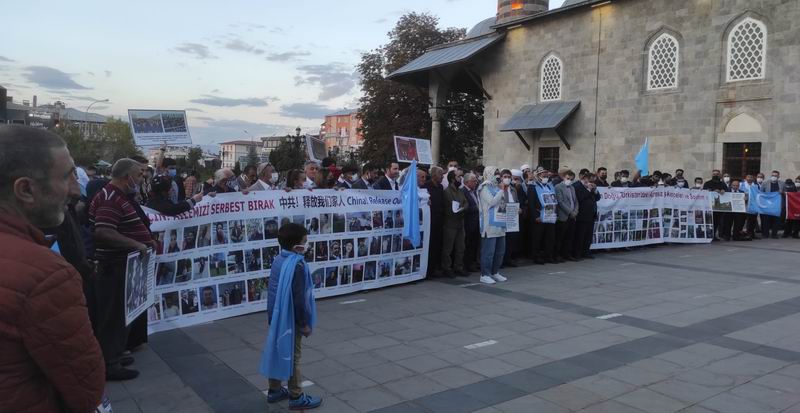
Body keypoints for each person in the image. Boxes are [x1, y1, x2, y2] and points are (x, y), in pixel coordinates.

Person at [0, 126, 105, 412]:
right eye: (67, 176)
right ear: (25, 189)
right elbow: (85, 386)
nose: (75, 189)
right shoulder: (46, 274)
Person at [89, 158, 155, 380]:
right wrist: (137, 244)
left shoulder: (119, 196)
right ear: (127, 177)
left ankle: (114, 353)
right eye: (138, 175)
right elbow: (103, 232)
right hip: (114, 266)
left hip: (124, 265)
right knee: (113, 316)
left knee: (120, 314)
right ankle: (109, 364)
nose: (140, 179)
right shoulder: (110, 199)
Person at [260, 223, 321, 410]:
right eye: (305, 242)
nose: (307, 244)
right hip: (291, 320)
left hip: (277, 316)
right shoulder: (298, 265)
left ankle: (275, 390)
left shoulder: (279, 259)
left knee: (278, 350)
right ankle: (296, 396)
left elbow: (273, 290)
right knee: (294, 356)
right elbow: (299, 299)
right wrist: (303, 323)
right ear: (296, 247)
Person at [478, 167, 508, 284]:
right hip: (489, 226)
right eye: (495, 173)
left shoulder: (497, 187)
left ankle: (495, 272)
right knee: (488, 252)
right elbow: (491, 202)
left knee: (500, 251)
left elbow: (502, 204)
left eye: (498, 173)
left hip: (500, 224)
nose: (497, 175)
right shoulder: (484, 188)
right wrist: (501, 190)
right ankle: (485, 274)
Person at [529, 167, 557, 264]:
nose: (545, 177)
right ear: (538, 176)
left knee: (550, 238)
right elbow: (531, 204)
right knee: (538, 238)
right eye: (543, 175)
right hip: (540, 216)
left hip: (550, 216)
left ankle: (548, 256)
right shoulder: (533, 187)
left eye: (546, 175)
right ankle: (536, 257)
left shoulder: (550, 186)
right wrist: (535, 216)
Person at [442, 170, 467, 277]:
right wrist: (462, 208)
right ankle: (447, 268)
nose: (460, 178)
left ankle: (458, 267)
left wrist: (463, 208)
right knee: (448, 248)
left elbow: (466, 203)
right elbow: (453, 206)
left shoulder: (460, 191)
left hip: (460, 223)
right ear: (452, 179)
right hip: (450, 223)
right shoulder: (447, 191)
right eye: (458, 177)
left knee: (460, 247)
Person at [423, 166, 445, 276]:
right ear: (434, 175)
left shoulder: (440, 187)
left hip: (439, 219)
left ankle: (435, 267)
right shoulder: (426, 186)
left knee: (437, 244)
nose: (442, 177)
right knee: (430, 244)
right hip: (430, 219)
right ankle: (428, 270)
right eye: (441, 174)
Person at [573, 172, 600, 259]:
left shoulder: (591, 186)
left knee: (588, 236)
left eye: (593, 181)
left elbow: (597, 198)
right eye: (590, 181)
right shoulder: (577, 186)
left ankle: (586, 252)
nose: (592, 183)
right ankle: (577, 253)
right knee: (580, 236)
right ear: (585, 179)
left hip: (591, 214)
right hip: (581, 215)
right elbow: (580, 198)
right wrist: (588, 190)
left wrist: (595, 190)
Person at [554, 169, 579, 261]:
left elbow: (576, 201)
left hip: (572, 216)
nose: (569, 180)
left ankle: (567, 254)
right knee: (560, 237)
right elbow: (560, 202)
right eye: (568, 178)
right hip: (563, 216)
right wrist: (570, 212)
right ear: (564, 177)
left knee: (569, 237)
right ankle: (557, 255)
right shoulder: (558, 187)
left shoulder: (572, 188)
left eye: (571, 179)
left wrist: (575, 212)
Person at [461, 173, 481, 273]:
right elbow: (463, 207)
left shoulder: (475, 192)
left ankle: (471, 263)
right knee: (467, 245)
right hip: (468, 223)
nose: (475, 182)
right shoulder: (463, 191)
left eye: (476, 180)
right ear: (466, 182)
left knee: (473, 245)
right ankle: (465, 265)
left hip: (476, 222)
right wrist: (476, 208)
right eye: (473, 181)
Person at [761, 170, 785, 239]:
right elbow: (761, 193)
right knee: (766, 220)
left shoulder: (782, 183)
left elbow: (785, 193)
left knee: (777, 220)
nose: (774, 177)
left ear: (778, 176)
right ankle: (765, 234)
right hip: (768, 205)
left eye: (775, 176)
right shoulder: (765, 183)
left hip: (777, 205)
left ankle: (774, 234)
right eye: (773, 175)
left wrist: (782, 192)